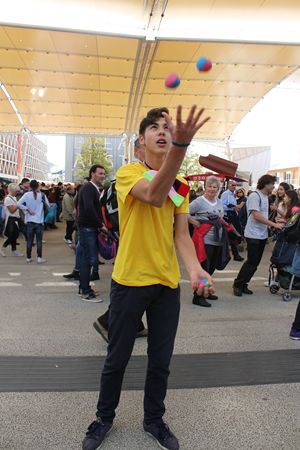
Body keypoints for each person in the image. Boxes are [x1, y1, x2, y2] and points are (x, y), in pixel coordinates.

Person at [81, 105, 214, 450]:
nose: (162, 132)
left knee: (161, 360)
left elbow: (181, 236)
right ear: (141, 140)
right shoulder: (129, 173)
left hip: (166, 285)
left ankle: (154, 420)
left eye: (167, 129)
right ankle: (103, 419)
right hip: (129, 281)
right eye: (154, 127)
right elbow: (154, 195)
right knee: (117, 358)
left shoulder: (182, 185)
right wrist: (182, 149)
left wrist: (196, 269)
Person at [93, 139, 148, 342]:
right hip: (134, 243)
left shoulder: (173, 181)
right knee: (130, 289)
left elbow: (178, 205)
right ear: (137, 150)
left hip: (150, 249)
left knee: (139, 290)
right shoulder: (128, 173)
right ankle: (107, 323)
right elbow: (154, 196)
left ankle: (135, 325)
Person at [233, 175, 284, 296]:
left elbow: (265, 214)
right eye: (272, 184)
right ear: (265, 184)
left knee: (255, 262)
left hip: (261, 234)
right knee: (251, 261)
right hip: (253, 234)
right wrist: (273, 224)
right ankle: (238, 284)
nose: (273, 186)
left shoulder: (266, 196)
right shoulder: (254, 196)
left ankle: (244, 284)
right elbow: (256, 215)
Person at [189, 175, 226, 307]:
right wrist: (194, 222)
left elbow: (220, 217)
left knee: (211, 267)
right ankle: (198, 296)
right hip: (204, 240)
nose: (212, 189)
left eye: (215, 187)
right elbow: (183, 212)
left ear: (218, 189)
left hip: (217, 239)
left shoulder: (219, 201)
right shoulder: (199, 201)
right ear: (205, 187)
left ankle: (206, 291)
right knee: (204, 268)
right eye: (209, 186)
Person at [77, 165, 106, 301]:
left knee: (87, 258)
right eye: (100, 173)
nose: (102, 176)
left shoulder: (90, 188)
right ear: (92, 174)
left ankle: (84, 287)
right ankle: (86, 291)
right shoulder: (89, 188)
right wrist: (100, 224)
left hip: (88, 227)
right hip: (87, 228)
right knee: (89, 259)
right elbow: (88, 207)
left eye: (103, 174)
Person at [17, 179, 49, 264]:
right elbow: (48, 206)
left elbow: (18, 203)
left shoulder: (26, 194)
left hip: (29, 221)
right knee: (39, 241)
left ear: (30, 186)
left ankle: (28, 258)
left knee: (29, 240)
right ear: (38, 186)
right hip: (39, 221)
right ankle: (39, 258)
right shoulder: (42, 195)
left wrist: (27, 209)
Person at [221, 180, 244, 261]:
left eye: (235, 185)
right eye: (232, 185)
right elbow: (222, 206)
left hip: (233, 215)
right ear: (228, 185)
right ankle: (234, 255)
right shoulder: (226, 194)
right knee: (232, 235)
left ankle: (233, 254)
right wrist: (232, 207)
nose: (234, 186)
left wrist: (235, 209)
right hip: (229, 216)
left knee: (234, 235)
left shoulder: (232, 195)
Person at [0, 183, 23, 257]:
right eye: (16, 191)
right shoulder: (7, 199)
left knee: (15, 235)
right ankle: (3, 249)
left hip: (15, 218)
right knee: (12, 235)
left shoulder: (14, 198)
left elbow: (15, 210)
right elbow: (12, 210)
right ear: (12, 190)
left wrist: (19, 216)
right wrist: (18, 205)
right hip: (10, 219)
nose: (17, 193)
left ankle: (14, 250)